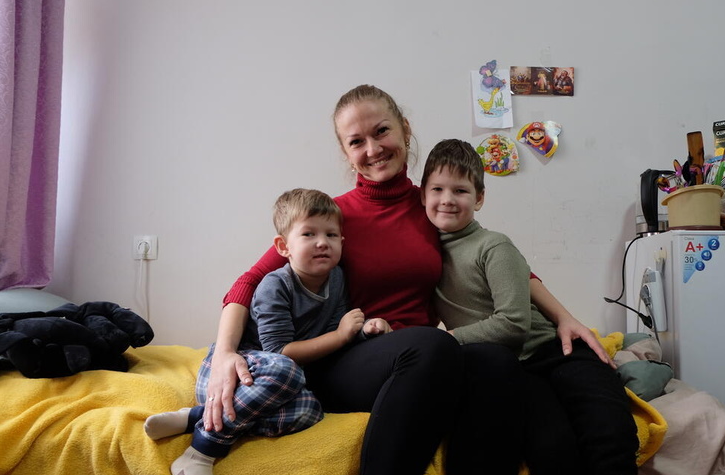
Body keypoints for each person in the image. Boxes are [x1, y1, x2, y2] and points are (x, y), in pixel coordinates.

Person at [203, 84, 614, 475]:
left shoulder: (432, 203)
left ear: (405, 129)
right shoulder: (332, 219)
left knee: (494, 358)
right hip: (348, 360)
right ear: (347, 154)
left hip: (427, 361)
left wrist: (564, 317)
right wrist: (224, 353)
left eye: (382, 131)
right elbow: (248, 281)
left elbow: (505, 264)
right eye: (357, 141)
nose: (373, 148)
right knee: (431, 345)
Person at [420, 138, 639, 475]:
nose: (447, 200)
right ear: (423, 196)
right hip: (517, 370)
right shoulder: (426, 257)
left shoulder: (492, 246)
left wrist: (443, 342)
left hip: (556, 351)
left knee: (610, 432)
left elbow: (512, 325)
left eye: (460, 191)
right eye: (437, 189)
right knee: (552, 448)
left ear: (479, 198)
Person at [145, 188, 390, 475]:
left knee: (310, 410)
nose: (322, 242)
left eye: (331, 235)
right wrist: (342, 335)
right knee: (287, 371)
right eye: (309, 234)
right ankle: (201, 450)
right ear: (283, 246)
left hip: (268, 390)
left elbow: (337, 332)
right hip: (235, 375)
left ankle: (195, 418)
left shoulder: (336, 279)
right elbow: (279, 352)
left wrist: (363, 332)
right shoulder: (275, 285)